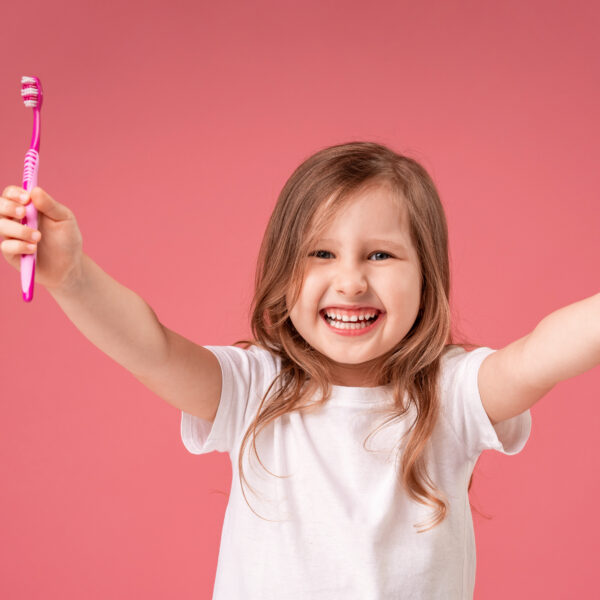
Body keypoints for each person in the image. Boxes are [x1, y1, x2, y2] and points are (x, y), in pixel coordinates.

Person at [1, 141, 598, 599]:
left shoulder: (454, 394)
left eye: (381, 254)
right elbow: (150, 346)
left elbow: (544, 350)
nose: (351, 281)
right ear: (285, 271)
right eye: (321, 254)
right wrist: (72, 277)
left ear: (427, 277)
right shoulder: (251, 388)